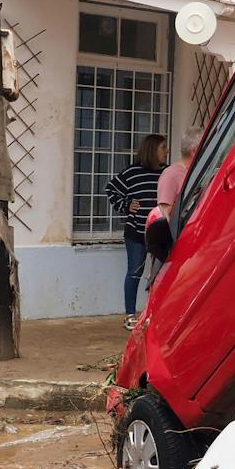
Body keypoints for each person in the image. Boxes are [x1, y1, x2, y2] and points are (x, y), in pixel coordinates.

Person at [106, 133, 167, 329]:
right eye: (163, 148)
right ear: (152, 150)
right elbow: (111, 189)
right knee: (135, 272)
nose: (166, 152)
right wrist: (126, 205)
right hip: (136, 233)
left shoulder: (167, 173)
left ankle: (156, 313)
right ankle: (130, 315)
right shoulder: (133, 172)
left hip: (160, 233)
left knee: (160, 274)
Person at [145, 127, 203, 264]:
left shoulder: (200, 172)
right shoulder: (170, 175)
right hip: (177, 249)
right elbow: (166, 215)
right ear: (194, 151)